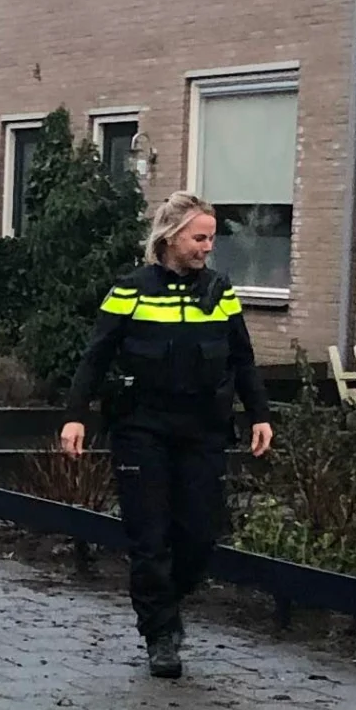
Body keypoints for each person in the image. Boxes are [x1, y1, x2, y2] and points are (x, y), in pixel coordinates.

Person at [57, 193, 273, 678]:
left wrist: (260, 414)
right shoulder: (130, 290)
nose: (207, 248)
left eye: (211, 239)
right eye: (199, 238)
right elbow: (96, 356)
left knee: (200, 535)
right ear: (171, 237)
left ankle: (167, 603)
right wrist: (75, 416)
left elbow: (242, 358)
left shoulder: (220, 291)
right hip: (142, 430)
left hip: (203, 430)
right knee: (149, 535)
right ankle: (160, 634)